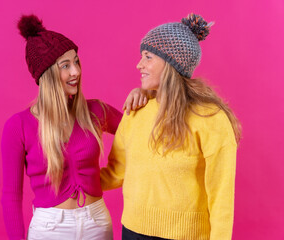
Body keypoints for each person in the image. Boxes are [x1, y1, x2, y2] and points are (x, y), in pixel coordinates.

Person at [1, 15, 147, 240]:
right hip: (49, 229)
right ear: (46, 75)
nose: (76, 72)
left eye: (76, 62)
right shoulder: (18, 126)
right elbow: (11, 196)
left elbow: (140, 131)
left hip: (96, 223)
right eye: (65, 66)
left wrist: (144, 94)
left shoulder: (96, 111)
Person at [100, 13, 242, 240]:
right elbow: (117, 172)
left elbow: (221, 194)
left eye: (148, 56)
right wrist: (71, 182)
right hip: (132, 231)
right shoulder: (136, 110)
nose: (139, 64)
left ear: (170, 63)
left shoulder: (211, 119)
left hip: (185, 235)